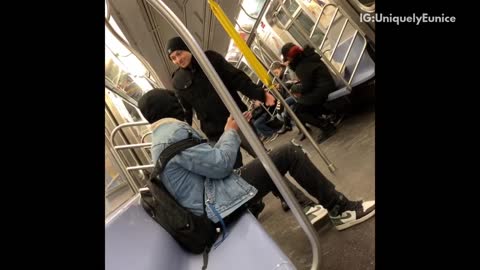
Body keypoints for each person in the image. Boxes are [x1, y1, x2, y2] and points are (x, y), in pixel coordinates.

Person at [138, 89, 375, 231]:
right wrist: (231, 131)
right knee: (287, 154)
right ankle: (341, 209)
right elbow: (221, 165)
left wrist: (227, 131)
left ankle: (307, 207)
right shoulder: (174, 134)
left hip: (207, 203)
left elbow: (208, 162)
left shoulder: (162, 137)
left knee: (268, 163)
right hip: (215, 208)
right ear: (168, 106)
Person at [166, 37, 322, 219]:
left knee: (266, 162)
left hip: (238, 120)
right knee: (234, 175)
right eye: (173, 59)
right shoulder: (178, 81)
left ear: (188, 48)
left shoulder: (210, 59)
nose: (178, 60)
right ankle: (254, 203)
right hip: (215, 133)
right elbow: (184, 111)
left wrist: (260, 94)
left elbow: (237, 79)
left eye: (179, 53)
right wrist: (180, 138)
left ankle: (296, 199)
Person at [281, 42, 337, 143]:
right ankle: (329, 115)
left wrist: (293, 88)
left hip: (322, 89)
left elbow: (306, 86)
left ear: (290, 58)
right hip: (325, 85)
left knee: (297, 110)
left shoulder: (301, 65)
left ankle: (326, 126)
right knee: (302, 104)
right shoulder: (307, 58)